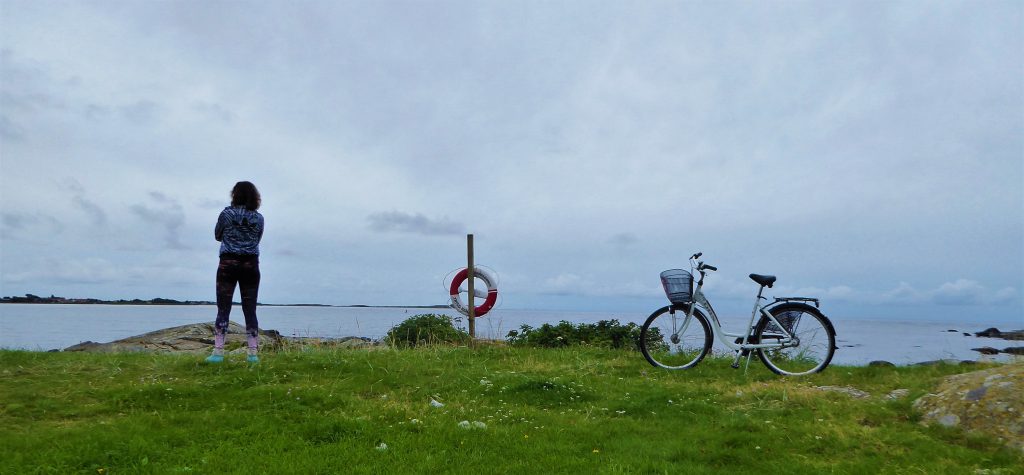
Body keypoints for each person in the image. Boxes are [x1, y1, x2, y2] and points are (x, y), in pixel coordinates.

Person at [206, 181, 265, 363]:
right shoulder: (259, 218)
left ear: (235, 195)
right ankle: (253, 354)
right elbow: (257, 238)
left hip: (228, 264)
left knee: (223, 308)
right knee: (250, 309)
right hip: (250, 265)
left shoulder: (226, 214)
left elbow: (217, 235)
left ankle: (218, 352)